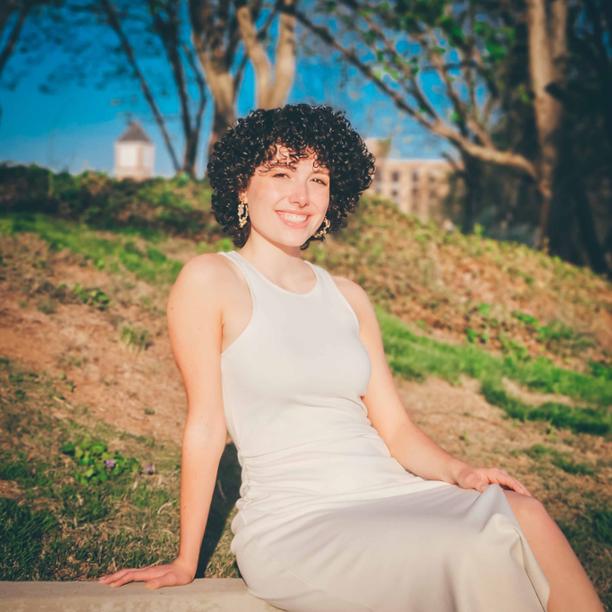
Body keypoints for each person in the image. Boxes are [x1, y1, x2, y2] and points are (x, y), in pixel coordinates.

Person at [98, 103, 604, 612]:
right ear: (241, 186)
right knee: (473, 547)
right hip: (299, 519)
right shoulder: (211, 279)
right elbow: (206, 427)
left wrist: (462, 472)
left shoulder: (348, 296)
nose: (301, 196)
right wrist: (186, 560)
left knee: (526, 515)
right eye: (281, 174)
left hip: (389, 491)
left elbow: (396, 429)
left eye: (318, 179)